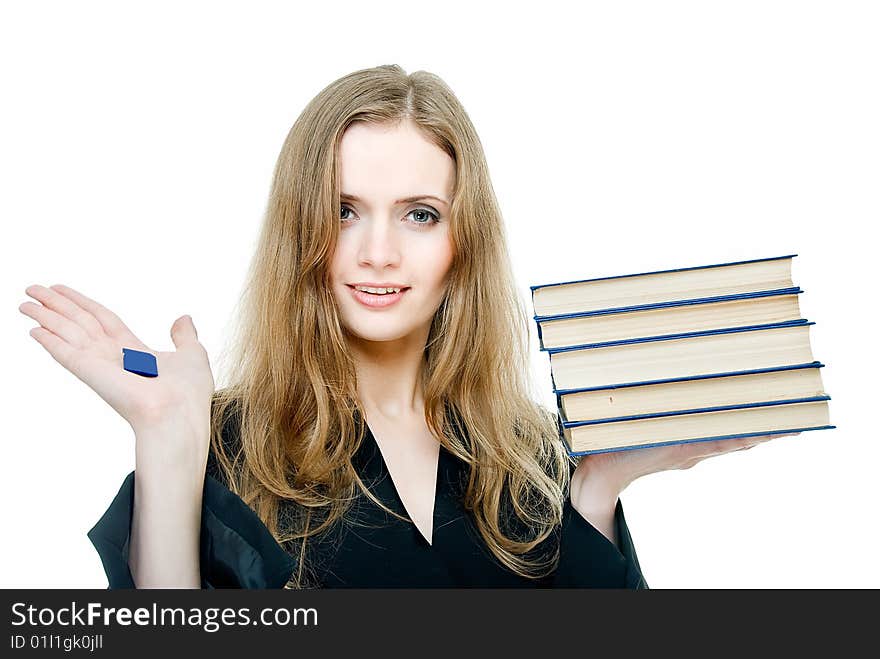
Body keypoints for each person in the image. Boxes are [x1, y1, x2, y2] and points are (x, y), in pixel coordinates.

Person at [19, 64, 797, 589]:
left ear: (464, 243)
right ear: (302, 232)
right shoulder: (225, 443)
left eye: (419, 215)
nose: (378, 252)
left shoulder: (526, 454)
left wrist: (596, 489)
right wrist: (166, 438)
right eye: (344, 210)